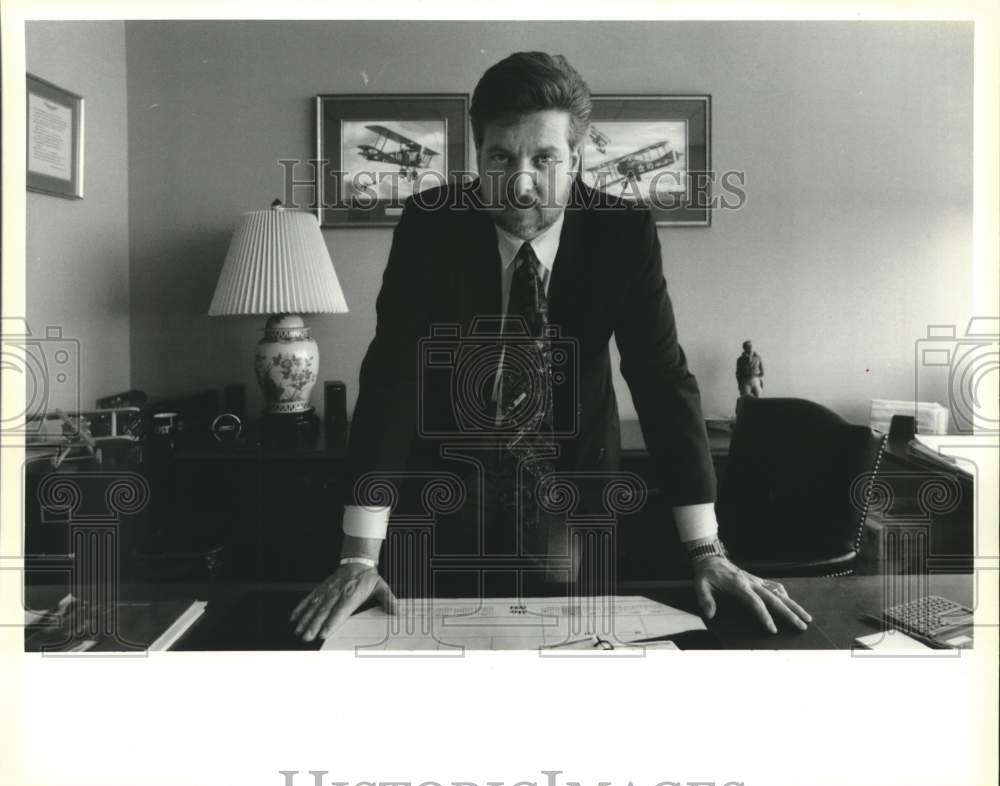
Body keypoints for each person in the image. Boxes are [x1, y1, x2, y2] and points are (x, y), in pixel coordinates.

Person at [291, 52, 810, 641]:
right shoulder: (428, 226)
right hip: (442, 490)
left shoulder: (622, 233)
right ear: (476, 154)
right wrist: (359, 555)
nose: (520, 182)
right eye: (500, 157)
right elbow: (392, 379)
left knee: (567, 650)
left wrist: (706, 549)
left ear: (577, 158)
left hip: (568, 491)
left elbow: (661, 380)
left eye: (544, 158)